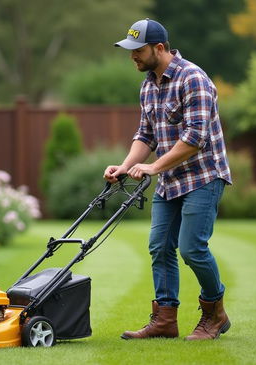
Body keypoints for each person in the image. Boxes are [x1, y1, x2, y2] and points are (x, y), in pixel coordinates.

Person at [104, 18, 232, 341]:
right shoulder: (148, 84)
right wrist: (124, 166)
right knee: (159, 246)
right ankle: (164, 320)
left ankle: (215, 313)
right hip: (170, 181)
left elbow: (195, 138)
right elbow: (145, 135)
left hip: (204, 176)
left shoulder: (194, 79)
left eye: (138, 50)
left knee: (192, 248)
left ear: (159, 48)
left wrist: (152, 168)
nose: (132, 56)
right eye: (130, 50)